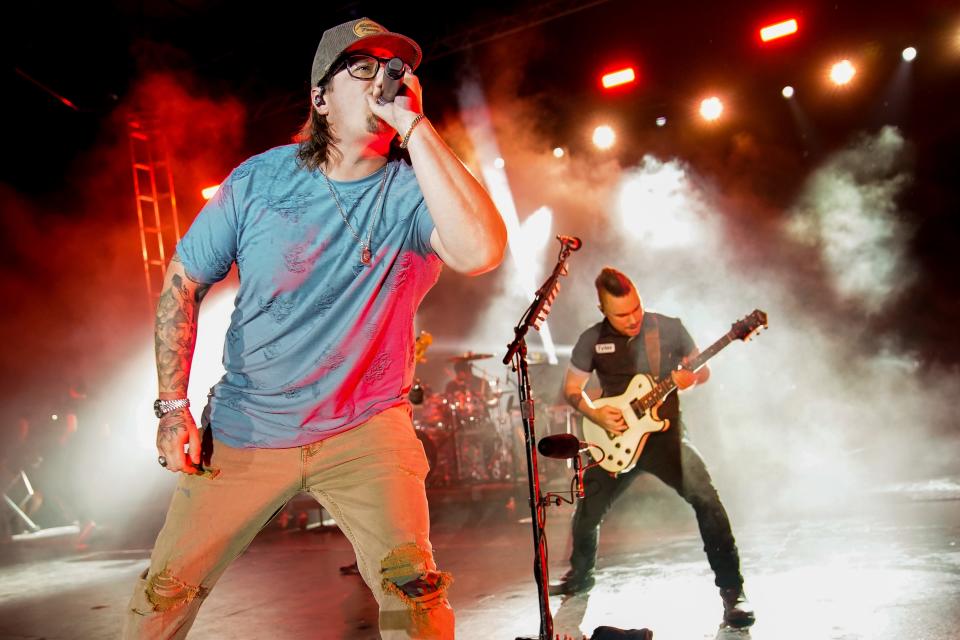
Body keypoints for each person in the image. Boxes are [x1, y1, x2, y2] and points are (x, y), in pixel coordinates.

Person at [123, 16, 506, 640]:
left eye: (397, 67)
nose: (387, 76)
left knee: (416, 599)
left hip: (367, 429)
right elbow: (181, 285)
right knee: (162, 597)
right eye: (362, 66)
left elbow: (481, 250)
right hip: (250, 427)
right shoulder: (257, 182)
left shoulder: (415, 192)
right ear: (320, 98)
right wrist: (173, 407)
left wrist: (416, 125)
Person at [549, 267, 754, 629]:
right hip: (614, 439)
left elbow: (701, 372)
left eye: (636, 309)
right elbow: (572, 389)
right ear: (603, 310)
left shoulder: (668, 328)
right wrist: (595, 414)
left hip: (665, 438)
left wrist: (692, 377)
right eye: (622, 314)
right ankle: (580, 577)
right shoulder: (591, 339)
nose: (633, 319)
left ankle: (733, 593)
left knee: (707, 501)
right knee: (587, 512)